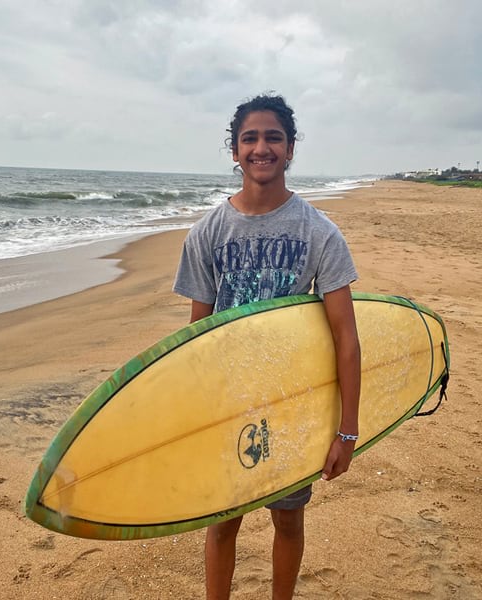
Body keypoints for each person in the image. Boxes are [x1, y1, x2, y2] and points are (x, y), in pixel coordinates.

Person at [173, 94, 361, 600]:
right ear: (234, 152)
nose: (262, 148)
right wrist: (191, 418)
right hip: (227, 404)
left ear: (291, 148)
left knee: (288, 519)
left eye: (273, 137)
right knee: (222, 523)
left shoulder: (319, 232)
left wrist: (347, 430)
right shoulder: (206, 233)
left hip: (293, 403)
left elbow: (346, 335)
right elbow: (197, 339)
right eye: (250, 139)